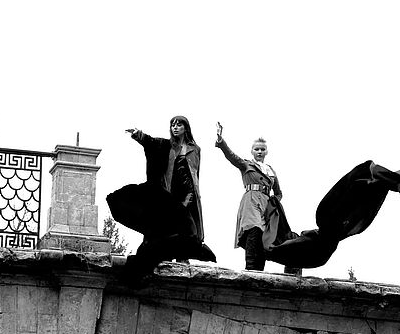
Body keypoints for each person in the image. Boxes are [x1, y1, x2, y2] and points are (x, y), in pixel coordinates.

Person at [264, 160, 400, 270]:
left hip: (332, 225)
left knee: (312, 250)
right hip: (332, 220)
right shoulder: (379, 177)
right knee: (307, 249)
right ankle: (273, 250)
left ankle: (277, 251)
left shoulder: (382, 183)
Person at [106, 116, 215, 283]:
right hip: (167, 194)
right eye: (173, 125)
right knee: (159, 228)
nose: (175, 128)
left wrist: (190, 198)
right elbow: (150, 142)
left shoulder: (195, 149)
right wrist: (138, 135)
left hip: (186, 195)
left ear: (186, 128)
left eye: (179, 125)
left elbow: (194, 176)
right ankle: (152, 265)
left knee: (185, 229)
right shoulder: (166, 145)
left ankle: (181, 260)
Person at [214, 122, 299, 273]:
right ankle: (251, 268)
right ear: (252, 151)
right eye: (256, 149)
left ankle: (259, 270)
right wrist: (221, 141)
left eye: (262, 149)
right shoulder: (246, 164)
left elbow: (278, 192)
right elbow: (231, 156)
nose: (259, 151)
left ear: (266, 152)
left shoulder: (270, 170)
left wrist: (274, 203)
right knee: (254, 230)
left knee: (265, 237)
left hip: (267, 204)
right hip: (251, 200)